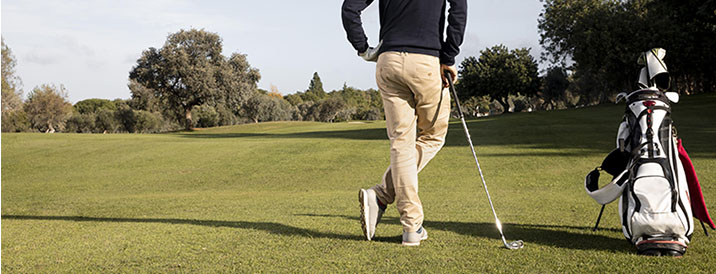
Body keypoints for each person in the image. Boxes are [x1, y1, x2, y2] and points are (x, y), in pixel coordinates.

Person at [341, 0, 467, 246]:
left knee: (401, 143)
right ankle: (391, 205)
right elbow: (459, 9)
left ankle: (398, 213)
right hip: (426, 61)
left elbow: (349, 8)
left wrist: (364, 49)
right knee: (432, 136)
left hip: (388, 61)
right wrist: (449, 56)